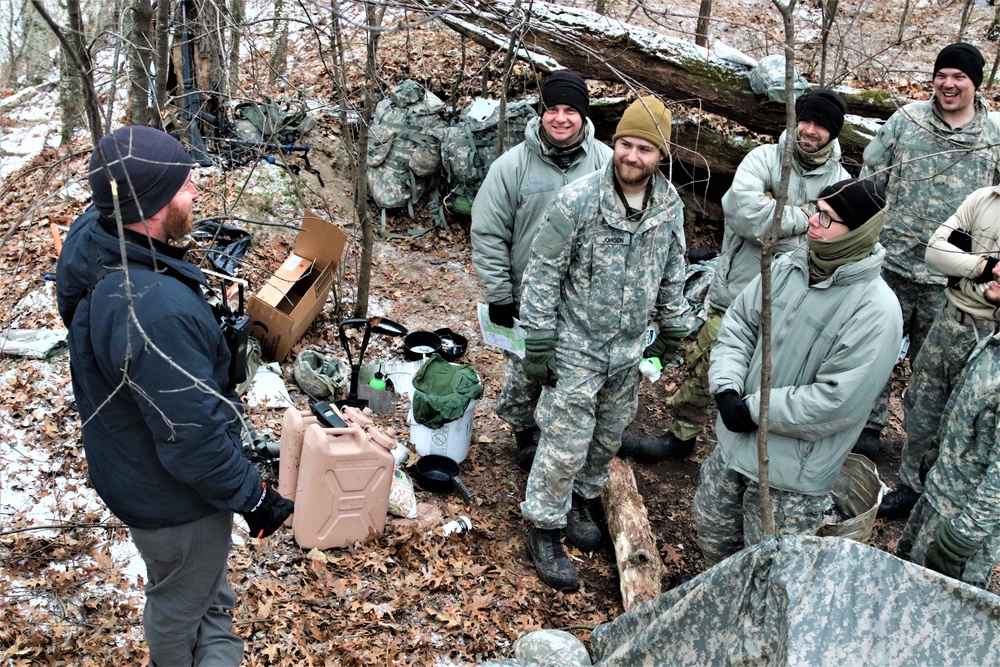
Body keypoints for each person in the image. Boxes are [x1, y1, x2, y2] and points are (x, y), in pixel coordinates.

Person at [56, 126, 294, 665]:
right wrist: (253, 497)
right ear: (157, 205)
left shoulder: (99, 235)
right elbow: (192, 437)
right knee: (178, 605)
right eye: (187, 187)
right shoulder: (151, 308)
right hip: (172, 500)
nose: (196, 195)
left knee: (201, 589)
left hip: (133, 463)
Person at [620, 89, 851, 463]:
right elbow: (744, 215)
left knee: (775, 378)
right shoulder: (764, 159)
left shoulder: (841, 182)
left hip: (797, 302)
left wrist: (778, 212)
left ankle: (748, 451)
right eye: (804, 121)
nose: (809, 130)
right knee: (707, 366)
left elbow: (833, 241)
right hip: (737, 290)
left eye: (820, 126)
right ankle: (681, 436)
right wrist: (805, 215)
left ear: (834, 132)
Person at [517, 97, 691, 591]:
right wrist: (540, 341)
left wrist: (674, 325)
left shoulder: (668, 205)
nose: (632, 157)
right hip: (576, 344)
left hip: (628, 348)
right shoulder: (579, 200)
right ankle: (544, 526)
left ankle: (580, 500)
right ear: (613, 145)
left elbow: (673, 269)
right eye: (625, 145)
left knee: (608, 434)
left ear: (661, 157)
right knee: (564, 441)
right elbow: (543, 273)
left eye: (644, 149)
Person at [693, 178, 902, 566]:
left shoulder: (876, 310)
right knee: (713, 544)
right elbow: (740, 326)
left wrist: (754, 410)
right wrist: (726, 388)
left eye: (827, 217)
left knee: (769, 573)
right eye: (814, 209)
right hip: (733, 448)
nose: (813, 222)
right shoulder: (787, 267)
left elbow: (838, 400)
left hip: (791, 479)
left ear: (857, 232)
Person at [855, 42, 1000, 459]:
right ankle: (867, 426)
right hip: (892, 262)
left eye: (959, 77)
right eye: (942, 75)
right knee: (874, 351)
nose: (948, 84)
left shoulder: (993, 136)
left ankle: (928, 446)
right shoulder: (906, 121)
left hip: (954, 281)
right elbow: (871, 178)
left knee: (937, 371)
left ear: (976, 83)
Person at [472, 71, 613, 471]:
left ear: (584, 116)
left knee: (575, 371)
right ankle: (524, 432)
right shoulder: (511, 166)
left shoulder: (607, 164)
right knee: (525, 371)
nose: (561, 118)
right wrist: (500, 294)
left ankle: (566, 435)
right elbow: (488, 232)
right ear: (542, 112)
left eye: (571, 110)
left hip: (587, 297)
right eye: (553, 109)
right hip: (528, 295)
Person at [878, 186, 1000, 520]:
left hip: (991, 336)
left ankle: (953, 503)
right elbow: (934, 253)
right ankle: (911, 487)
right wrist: (986, 266)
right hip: (948, 319)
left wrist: (964, 264)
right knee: (922, 403)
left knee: (969, 423)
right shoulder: (984, 199)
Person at [896, 260, 1000, 589]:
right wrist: (936, 453)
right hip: (937, 499)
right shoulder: (994, 341)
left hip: (960, 526)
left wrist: (961, 538)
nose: (995, 270)